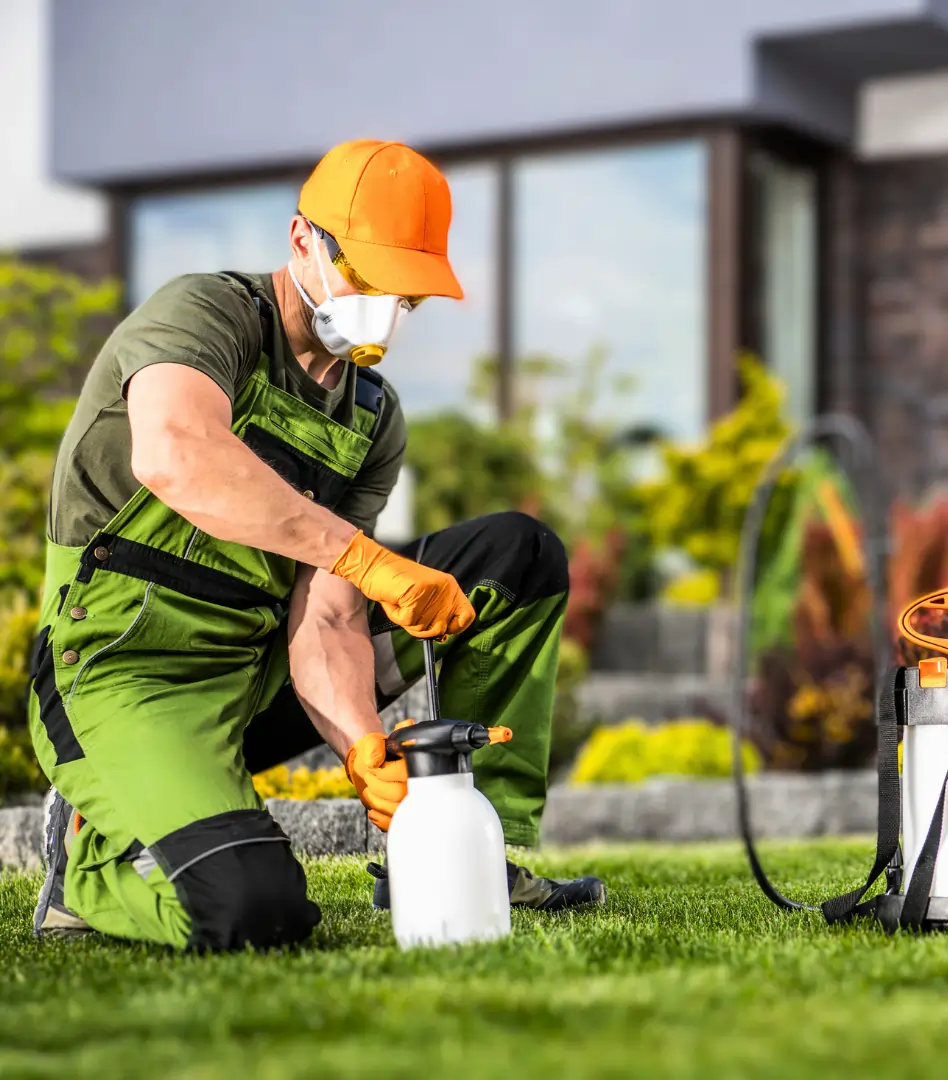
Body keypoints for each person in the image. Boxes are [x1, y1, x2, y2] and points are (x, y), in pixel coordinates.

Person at [29, 139, 605, 950]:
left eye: (402, 292)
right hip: (124, 669)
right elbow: (177, 454)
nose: (384, 307)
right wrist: (367, 559)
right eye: (365, 277)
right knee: (254, 913)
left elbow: (327, 620)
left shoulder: (373, 417)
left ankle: (473, 852)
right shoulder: (204, 316)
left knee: (519, 559)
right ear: (303, 241)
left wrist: (362, 744)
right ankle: (87, 867)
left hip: (257, 669)